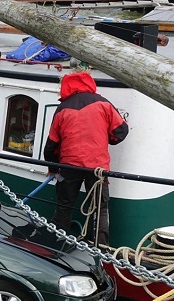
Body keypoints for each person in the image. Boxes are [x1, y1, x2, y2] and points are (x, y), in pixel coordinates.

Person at [44, 71, 129, 246]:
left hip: (68, 167)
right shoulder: (104, 104)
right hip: (97, 168)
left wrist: (53, 169)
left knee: (64, 206)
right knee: (100, 209)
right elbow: (121, 131)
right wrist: (107, 139)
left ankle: (56, 244)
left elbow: (51, 145)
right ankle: (100, 249)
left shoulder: (62, 109)